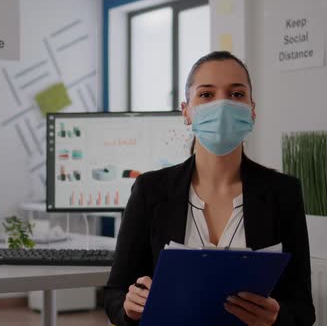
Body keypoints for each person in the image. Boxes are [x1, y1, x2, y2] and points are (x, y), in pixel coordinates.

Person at [104, 51, 315, 326]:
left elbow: (303, 310)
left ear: (252, 109)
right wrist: (130, 307)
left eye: (236, 94)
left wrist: (277, 317)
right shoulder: (150, 190)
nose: (223, 105)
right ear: (186, 111)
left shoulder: (283, 192)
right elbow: (114, 295)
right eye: (206, 95)